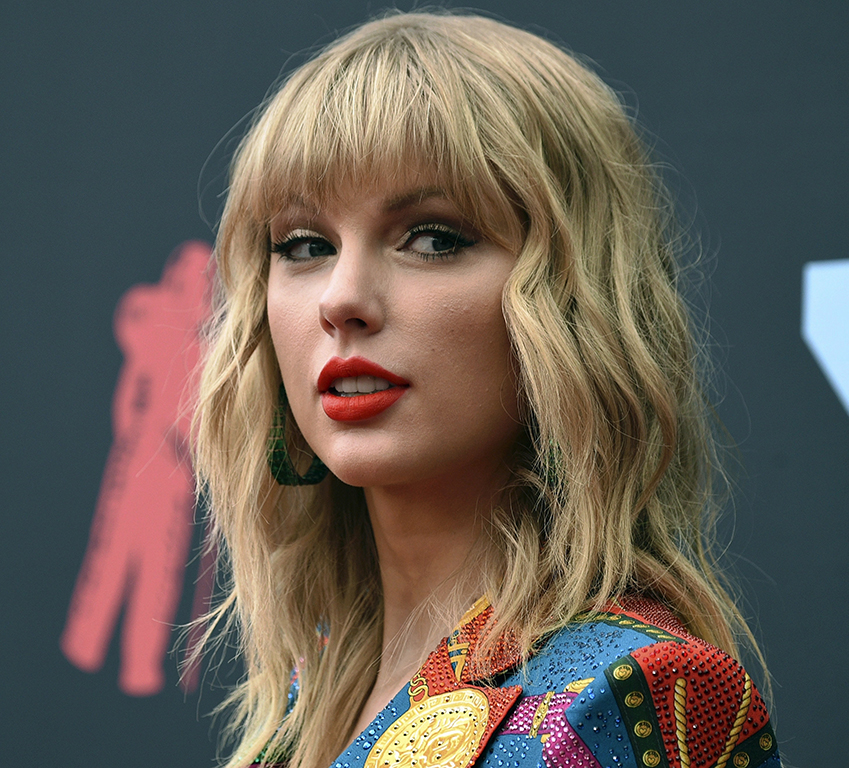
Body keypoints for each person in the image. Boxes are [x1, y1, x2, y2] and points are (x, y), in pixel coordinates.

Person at [193, 10, 781, 768]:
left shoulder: (633, 697)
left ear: (572, 299)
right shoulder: (302, 710)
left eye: (433, 238)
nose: (341, 298)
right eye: (305, 245)